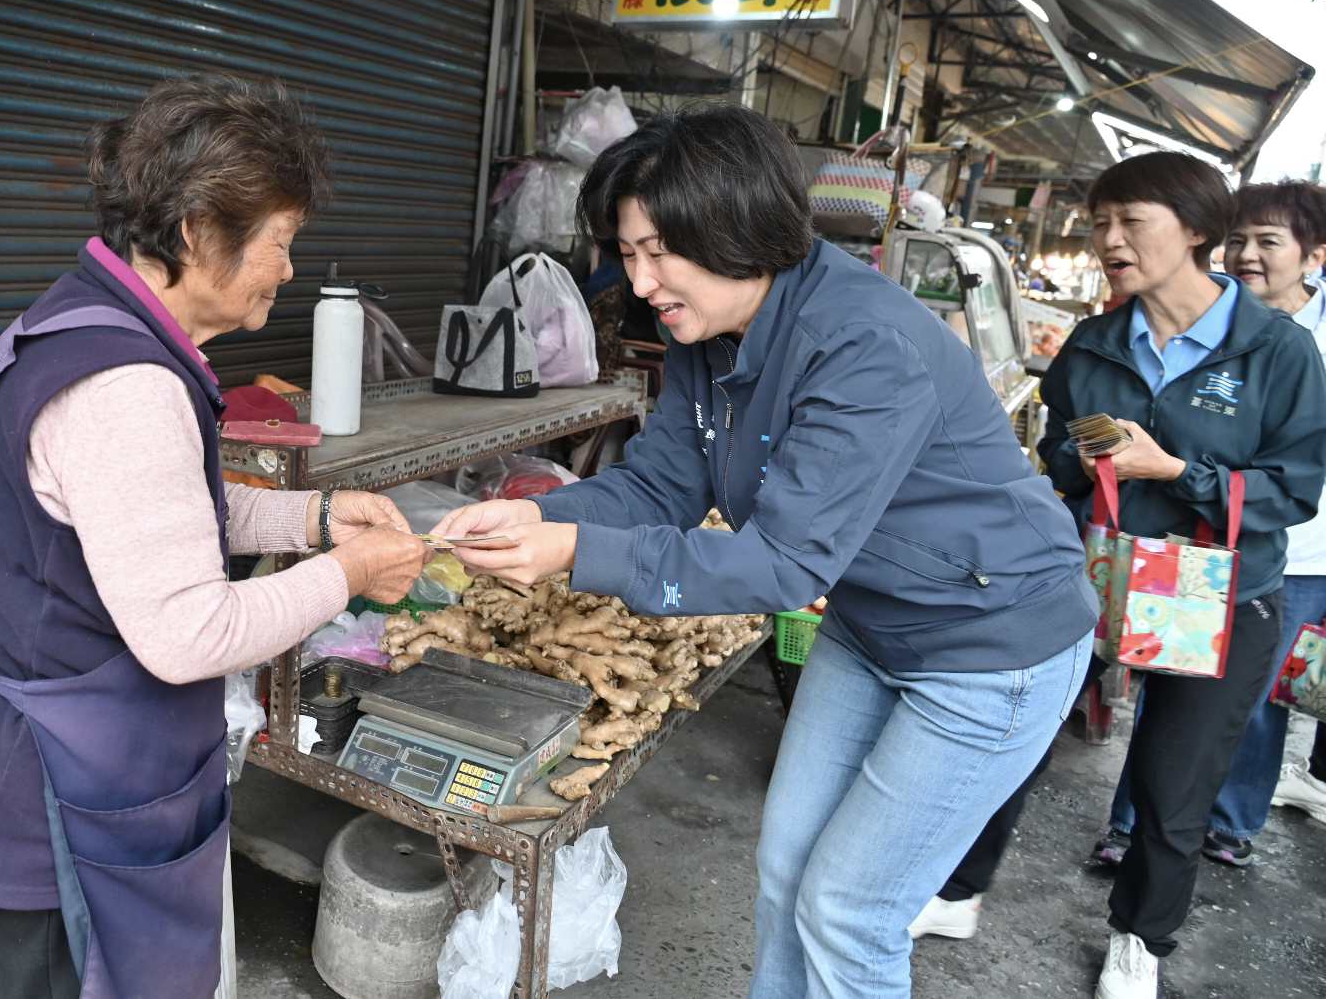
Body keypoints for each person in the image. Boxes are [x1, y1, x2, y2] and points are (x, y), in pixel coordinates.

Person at [433, 103, 1096, 999]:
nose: (642, 280)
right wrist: (546, 517)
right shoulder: (710, 333)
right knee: (787, 870)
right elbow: (661, 484)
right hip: (874, 622)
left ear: (741, 228)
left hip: (992, 645)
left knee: (849, 911)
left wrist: (576, 554)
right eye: (627, 253)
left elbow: (785, 563)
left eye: (659, 250)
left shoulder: (864, 345)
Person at [0, 75, 430, 998]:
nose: (287, 270)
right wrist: (349, 569)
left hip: (18, 746)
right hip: (49, 793)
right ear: (201, 233)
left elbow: (161, 515)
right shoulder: (126, 387)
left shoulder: (85, 320)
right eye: (280, 243)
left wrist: (318, 518)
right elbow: (188, 635)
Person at [1027, 153, 1324, 998]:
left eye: (1132, 223)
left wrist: (1174, 471)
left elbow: (1293, 489)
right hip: (1097, 576)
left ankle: (1139, 939)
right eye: (1100, 224)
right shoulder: (1093, 341)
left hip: (1223, 595)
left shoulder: (1276, 352)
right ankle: (958, 888)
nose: (1110, 241)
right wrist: (1085, 462)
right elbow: (1057, 450)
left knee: (1175, 780)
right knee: (1007, 734)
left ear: (1198, 232)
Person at [1092, 180, 1326, 865]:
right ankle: (1132, 825)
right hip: (1188, 538)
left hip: (1296, 551)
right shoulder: (1198, 322)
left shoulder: (1300, 345)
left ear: (1314, 254)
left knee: (1253, 702)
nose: (1248, 256)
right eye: (1240, 240)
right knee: (1166, 679)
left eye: (1268, 242)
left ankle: (1230, 822)